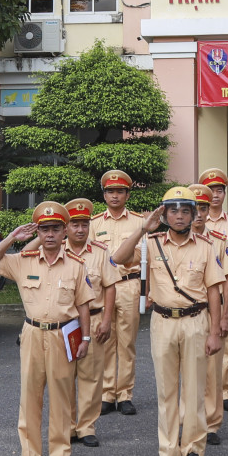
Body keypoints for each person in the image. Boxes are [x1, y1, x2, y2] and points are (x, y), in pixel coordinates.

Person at [112, 187, 228, 456]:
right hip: (163, 322)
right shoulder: (151, 243)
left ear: (193, 215)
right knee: (166, 390)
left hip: (195, 322)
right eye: (173, 211)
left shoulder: (205, 246)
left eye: (185, 211)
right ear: (164, 214)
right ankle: (168, 451)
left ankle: (192, 450)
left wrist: (215, 332)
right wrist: (142, 228)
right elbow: (117, 258)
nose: (179, 216)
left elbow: (214, 291)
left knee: (194, 389)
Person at [0, 203, 93, 456]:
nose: (50, 234)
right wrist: (12, 238)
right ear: (39, 232)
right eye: (44, 229)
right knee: (30, 399)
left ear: (65, 231)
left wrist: (86, 338)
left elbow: (83, 306)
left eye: (56, 229)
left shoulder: (76, 266)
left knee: (61, 398)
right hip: (32, 334)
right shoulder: (24, 260)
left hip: (63, 335)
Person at [86, 170, 145, 415]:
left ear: (127, 195)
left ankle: (125, 394)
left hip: (128, 284)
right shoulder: (94, 223)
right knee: (105, 339)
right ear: (104, 195)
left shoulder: (139, 222)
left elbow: (143, 257)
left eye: (120, 191)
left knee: (127, 342)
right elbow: (88, 256)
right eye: (110, 191)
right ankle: (108, 394)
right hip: (102, 289)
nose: (115, 196)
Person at [63, 199, 118, 450]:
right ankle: (66, 427)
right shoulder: (56, 251)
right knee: (63, 377)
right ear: (66, 227)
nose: (81, 230)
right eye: (75, 224)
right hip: (64, 324)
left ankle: (86, 427)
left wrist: (107, 320)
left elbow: (109, 286)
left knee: (91, 378)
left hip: (94, 320)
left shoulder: (100, 251)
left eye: (85, 224)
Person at [200, 167, 228, 413]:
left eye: (219, 190)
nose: (215, 195)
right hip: (201, 295)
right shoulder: (194, 221)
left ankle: (226, 391)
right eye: (211, 191)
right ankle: (206, 390)